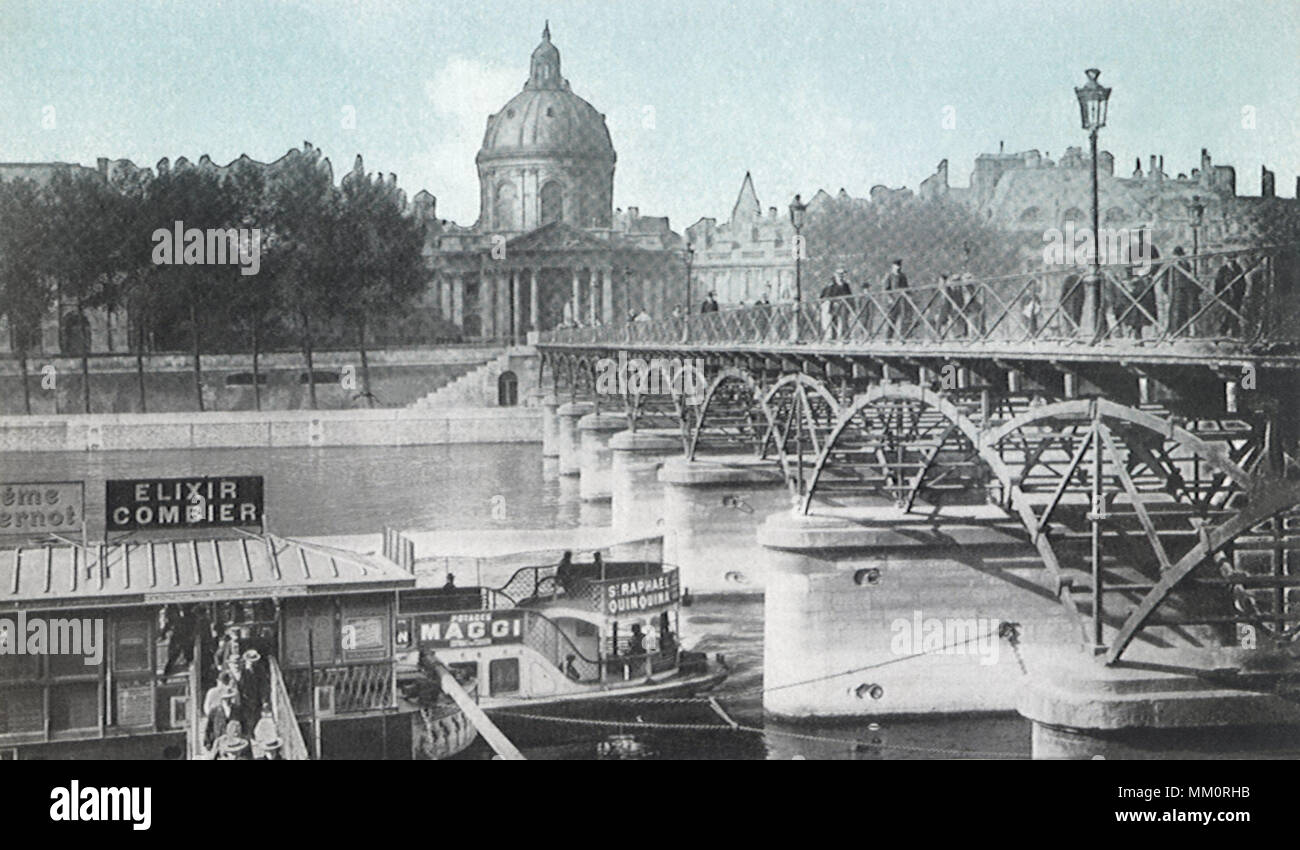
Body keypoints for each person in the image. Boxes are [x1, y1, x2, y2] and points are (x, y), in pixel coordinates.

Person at [203, 686, 239, 750]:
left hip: (234, 745)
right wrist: (208, 743)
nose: (228, 701)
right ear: (222, 699)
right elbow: (209, 728)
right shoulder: (214, 711)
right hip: (220, 745)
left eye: (229, 698)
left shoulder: (237, 710)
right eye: (226, 698)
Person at [882, 259, 910, 339]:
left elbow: (906, 287)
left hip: (902, 300)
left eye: (899, 266)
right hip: (893, 301)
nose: (898, 267)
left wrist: (908, 296)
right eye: (896, 266)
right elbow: (886, 289)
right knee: (891, 319)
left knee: (903, 319)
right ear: (893, 266)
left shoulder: (903, 276)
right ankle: (888, 338)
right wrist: (889, 298)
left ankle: (903, 337)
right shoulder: (889, 276)